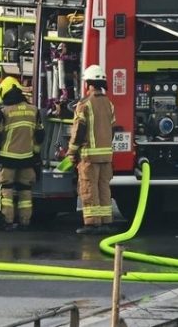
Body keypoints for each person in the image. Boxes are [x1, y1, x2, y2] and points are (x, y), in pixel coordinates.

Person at [68, 64, 117, 234]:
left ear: (88, 84)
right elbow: (112, 129)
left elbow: (78, 132)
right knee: (104, 188)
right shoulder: (109, 104)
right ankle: (105, 222)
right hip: (106, 157)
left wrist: (71, 152)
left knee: (89, 188)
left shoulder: (84, 105)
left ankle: (92, 223)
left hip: (89, 157)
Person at [0, 77, 44, 231]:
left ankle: (6, 221)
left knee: (6, 190)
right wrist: (35, 155)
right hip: (27, 158)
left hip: (7, 158)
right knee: (25, 190)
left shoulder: (3, 112)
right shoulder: (34, 110)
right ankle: (25, 222)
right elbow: (40, 135)